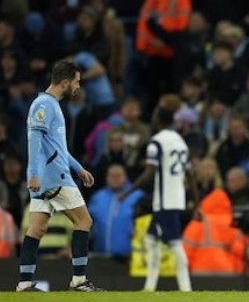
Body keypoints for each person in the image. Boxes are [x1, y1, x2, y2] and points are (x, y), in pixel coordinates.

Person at [16, 60, 103, 292]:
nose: (78, 87)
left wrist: (79, 168)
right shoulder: (44, 104)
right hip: (54, 177)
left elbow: (56, 146)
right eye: (76, 82)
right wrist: (34, 173)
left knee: (36, 229)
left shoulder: (49, 104)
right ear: (64, 83)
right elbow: (35, 138)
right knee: (84, 222)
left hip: (47, 176)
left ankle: (24, 283)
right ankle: (79, 280)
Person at [118, 106, 200, 292]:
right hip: (176, 198)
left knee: (174, 243)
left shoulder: (157, 142)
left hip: (165, 200)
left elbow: (149, 174)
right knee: (150, 239)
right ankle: (149, 287)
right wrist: (196, 204)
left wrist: (127, 192)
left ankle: (186, 289)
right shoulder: (180, 141)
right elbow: (190, 176)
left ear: (159, 120)